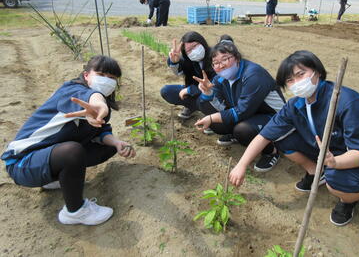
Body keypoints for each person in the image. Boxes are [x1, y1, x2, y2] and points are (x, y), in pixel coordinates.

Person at [229, 50, 359, 226]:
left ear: (317, 72)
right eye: (290, 80)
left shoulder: (347, 102)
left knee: (336, 179)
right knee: (282, 138)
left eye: (301, 74)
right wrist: (241, 165)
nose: (297, 83)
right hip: (325, 151)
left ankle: (349, 201)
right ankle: (316, 171)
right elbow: (264, 135)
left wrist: (335, 163)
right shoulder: (295, 105)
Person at [1, 55, 135, 226]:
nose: (106, 81)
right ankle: (75, 211)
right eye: (101, 74)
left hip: (43, 157)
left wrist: (117, 143)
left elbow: (100, 131)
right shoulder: (72, 91)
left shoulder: (98, 107)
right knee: (72, 151)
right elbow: (92, 97)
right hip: (22, 163)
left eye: (112, 78)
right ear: (86, 75)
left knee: (107, 148)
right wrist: (99, 104)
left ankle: (54, 178)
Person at [194, 39, 286, 172]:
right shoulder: (220, 78)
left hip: (273, 116)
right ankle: (236, 134)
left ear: (237, 57)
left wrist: (212, 117)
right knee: (213, 119)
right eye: (215, 63)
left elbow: (242, 111)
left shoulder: (253, 74)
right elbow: (219, 106)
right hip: (250, 113)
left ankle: (271, 151)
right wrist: (208, 93)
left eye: (225, 59)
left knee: (242, 130)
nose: (220, 66)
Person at [160, 31, 215, 123]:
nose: (194, 51)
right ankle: (191, 106)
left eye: (195, 46)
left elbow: (216, 86)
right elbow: (179, 73)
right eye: (189, 50)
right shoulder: (188, 60)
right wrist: (174, 62)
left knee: (203, 97)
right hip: (197, 92)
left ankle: (213, 118)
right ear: (185, 53)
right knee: (167, 91)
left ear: (202, 42)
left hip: (213, 94)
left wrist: (190, 90)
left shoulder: (215, 56)